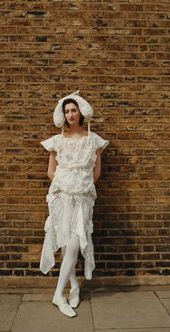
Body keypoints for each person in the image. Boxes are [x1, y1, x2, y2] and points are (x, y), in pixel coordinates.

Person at [40, 90, 109, 318]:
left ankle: (58, 294)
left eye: (73, 110)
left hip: (83, 198)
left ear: (80, 112)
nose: (70, 114)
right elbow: (51, 171)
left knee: (74, 242)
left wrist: (81, 188)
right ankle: (75, 286)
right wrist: (65, 186)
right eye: (66, 111)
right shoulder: (57, 141)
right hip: (60, 196)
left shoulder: (93, 140)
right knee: (62, 241)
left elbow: (96, 172)